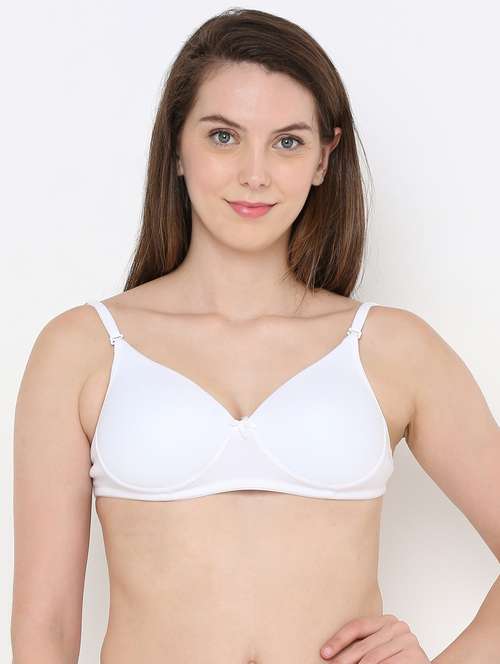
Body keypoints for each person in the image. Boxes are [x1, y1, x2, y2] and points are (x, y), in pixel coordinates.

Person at [11, 8, 499, 664]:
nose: (255, 174)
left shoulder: (392, 349)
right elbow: (44, 627)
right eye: (223, 136)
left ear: (324, 158)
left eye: (287, 142)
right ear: (176, 147)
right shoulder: (82, 348)